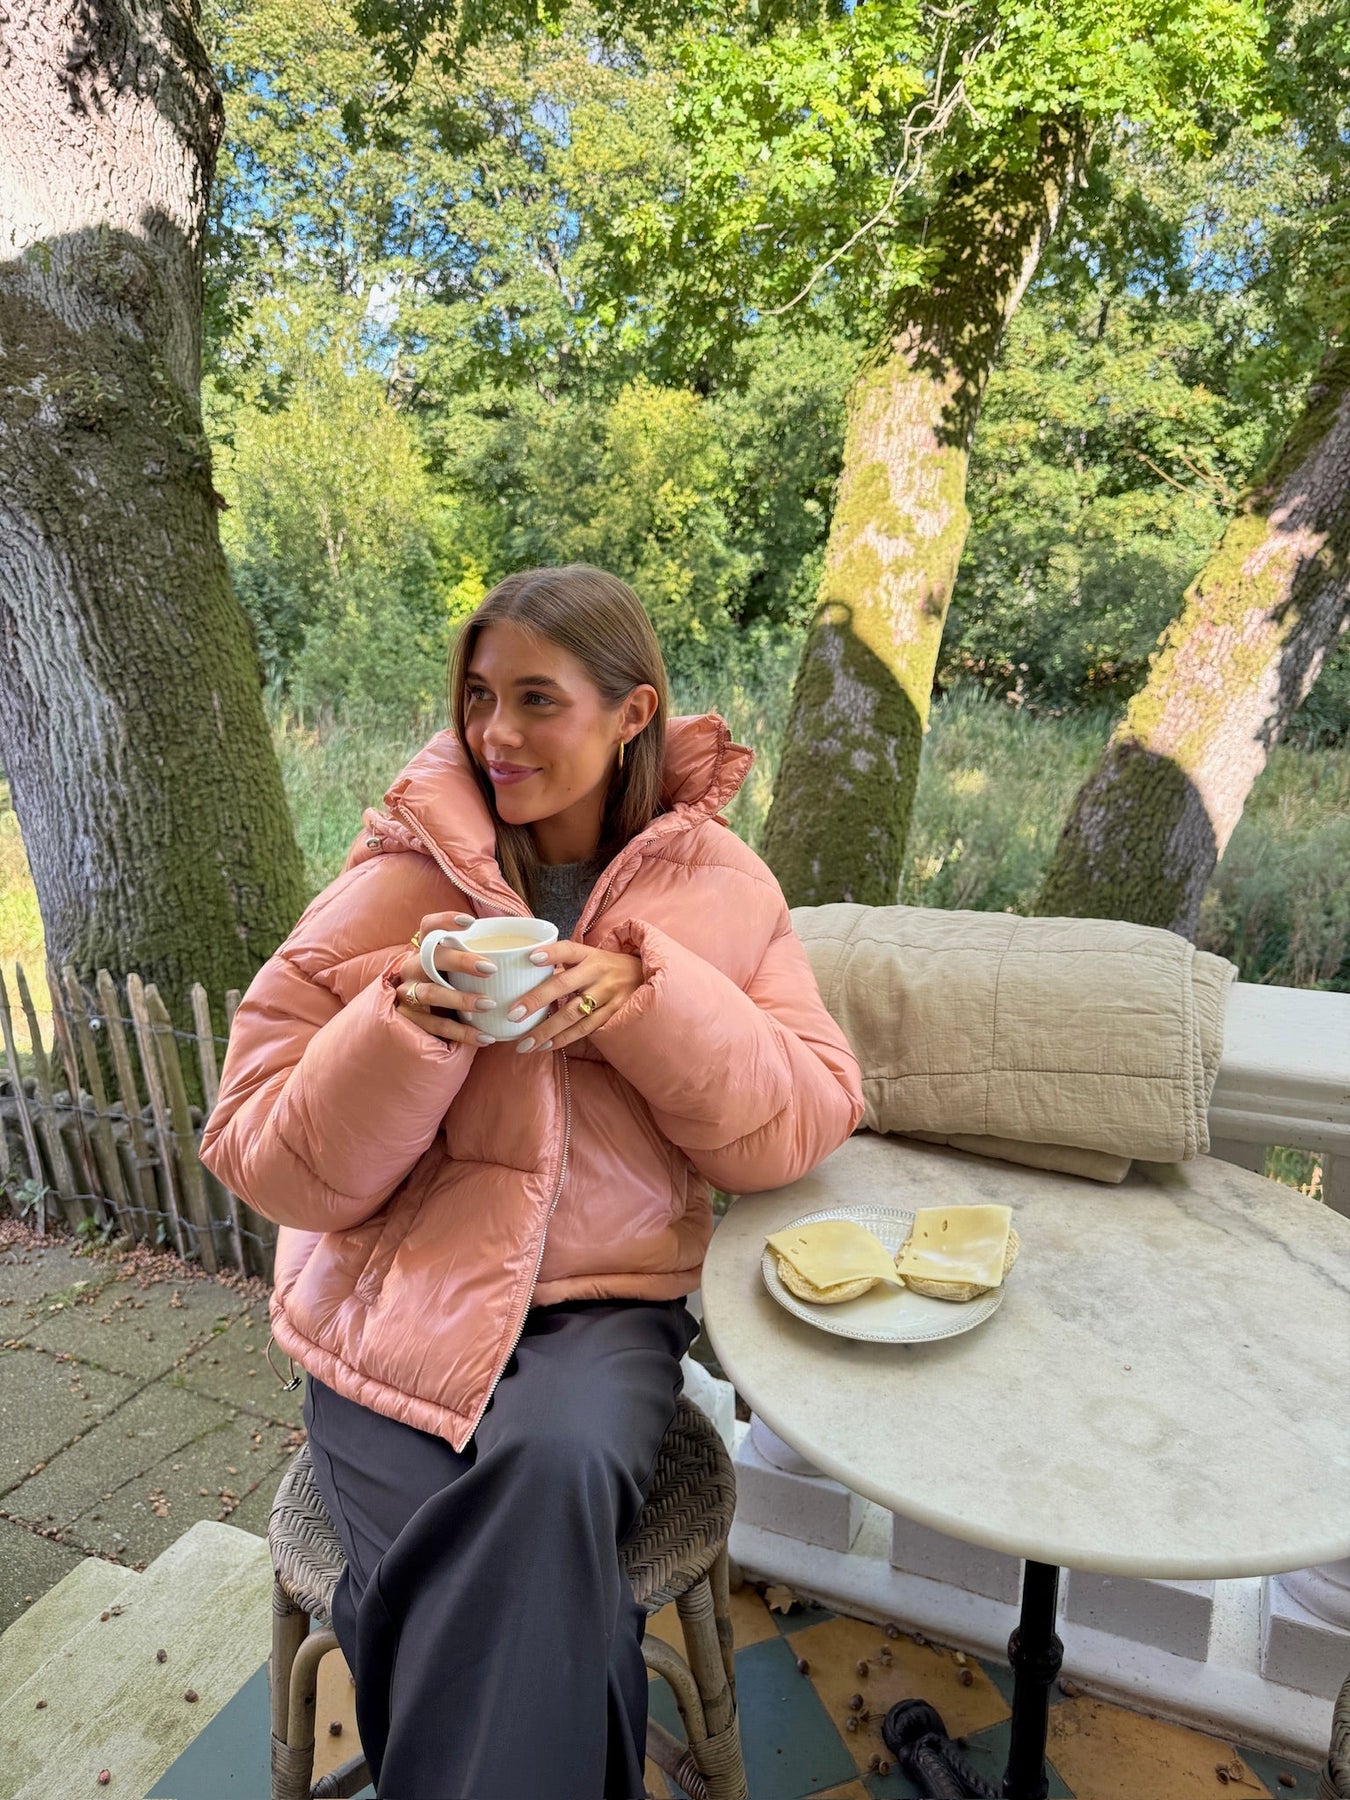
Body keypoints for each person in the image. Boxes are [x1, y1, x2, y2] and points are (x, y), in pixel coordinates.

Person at [199, 564, 865, 1800]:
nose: (495, 734)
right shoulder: (395, 880)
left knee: (542, 1485)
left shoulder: (725, 891)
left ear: (631, 713)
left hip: (598, 1317)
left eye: (536, 699)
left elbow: (802, 1122)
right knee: (537, 1595)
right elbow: (264, 1156)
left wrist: (654, 998)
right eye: (477, 696)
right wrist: (401, 1029)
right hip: (388, 1308)